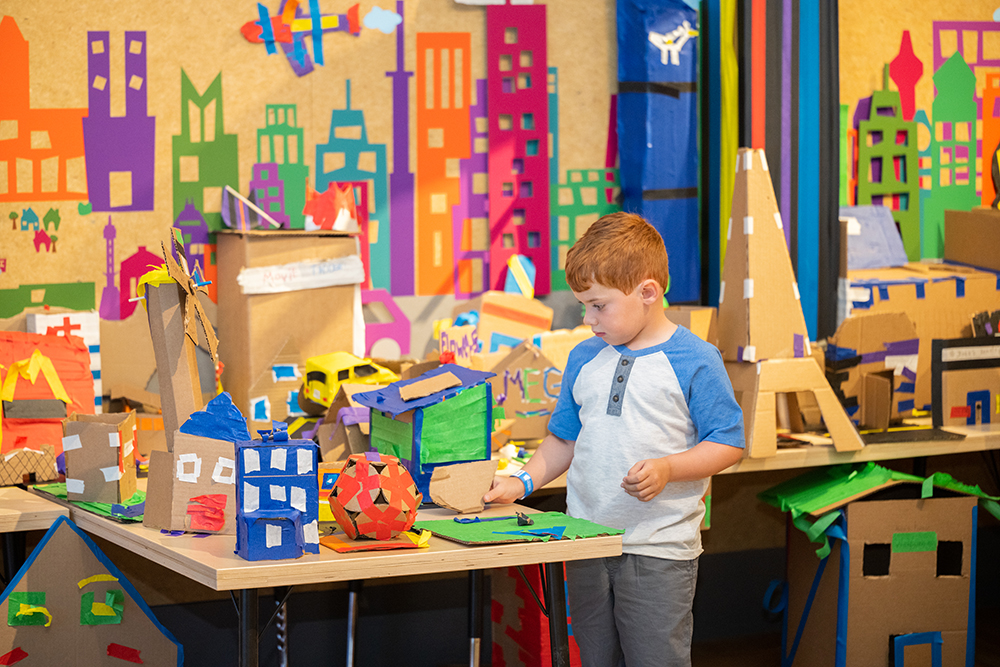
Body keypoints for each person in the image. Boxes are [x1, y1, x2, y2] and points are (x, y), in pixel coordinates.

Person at [483, 211, 745, 667]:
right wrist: (521, 482)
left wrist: (669, 468)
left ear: (648, 293)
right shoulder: (584, 358)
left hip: (658, 550)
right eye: (583, 305)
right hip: (585, 541)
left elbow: (728, 442)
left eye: (599, 305)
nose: (588, 319)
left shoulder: (696, 359)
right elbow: (563, 440)